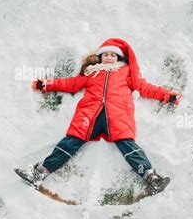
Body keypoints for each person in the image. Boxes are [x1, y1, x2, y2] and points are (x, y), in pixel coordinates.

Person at [15, 38, 181, 195]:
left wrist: (167, 96)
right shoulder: (92, 73)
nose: (109, 57)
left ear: (118, 57)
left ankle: (151, 177)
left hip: (116, 116)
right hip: (90, 116)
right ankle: (40, 173)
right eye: (106, 54)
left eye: (113, 55)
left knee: (128, 146)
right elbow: (70, 84)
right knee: (70, 142)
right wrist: (45, 84)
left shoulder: (126, 73)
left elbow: (145, 88)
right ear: (100, 57)